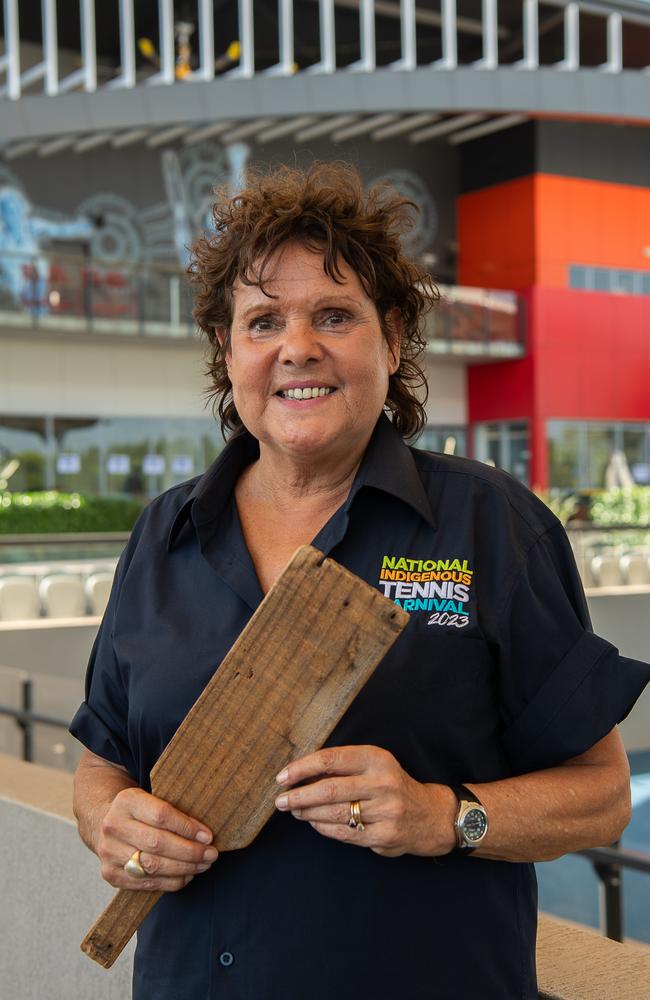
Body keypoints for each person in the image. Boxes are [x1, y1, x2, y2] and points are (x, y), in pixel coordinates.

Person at [70, 162, 649, 1000]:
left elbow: (601, 796)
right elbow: (102, 765)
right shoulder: (165, 533)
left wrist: (441, 817)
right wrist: (113, 819)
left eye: (334, 315)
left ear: (394, 338)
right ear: (228, 353)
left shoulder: (489, 525)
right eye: (263, 321)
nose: (297, 346)